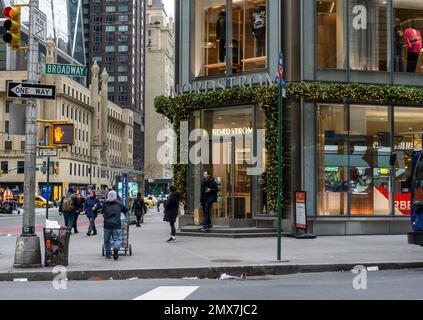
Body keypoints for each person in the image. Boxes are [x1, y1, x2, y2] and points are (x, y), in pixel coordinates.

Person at [102, 190, 128, 260]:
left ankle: (108, 253)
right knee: (117, 238)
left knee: (107, 239)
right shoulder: (119, 203)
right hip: (116, 224)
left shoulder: (105, 203)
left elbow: (102, 212)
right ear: (115, 196)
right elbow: (126, 210)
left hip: (107, 224)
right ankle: (116, 248)